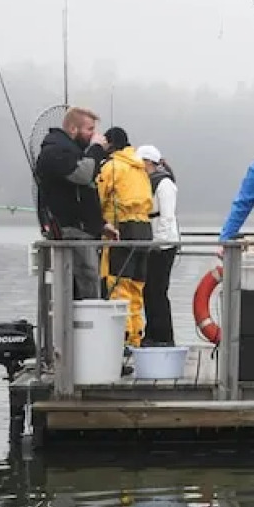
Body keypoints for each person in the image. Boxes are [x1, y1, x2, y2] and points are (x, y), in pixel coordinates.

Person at [34, 106, 116, 301]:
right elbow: (82, 175)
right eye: (90, 129)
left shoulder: (75, 152)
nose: (94, 135)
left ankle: (85, 318)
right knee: (86, 282)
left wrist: (100, 224)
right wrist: (96, 149)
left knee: (89, 282)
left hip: (84, 230)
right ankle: (81, 319)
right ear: (73, 129)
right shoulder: (55, 151)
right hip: (71, 231)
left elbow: (83, 195)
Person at [96, 127, 155, 350]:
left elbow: (98, 197)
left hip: (122, 229)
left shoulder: (112, 166)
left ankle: (123, 338)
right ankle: (136, 337)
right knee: (136, 287)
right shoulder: (140, 167)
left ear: (110, 144)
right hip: (145, 231)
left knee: (118, 285)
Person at [137, 144, 180, 346]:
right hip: (151, 242)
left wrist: (160, 241)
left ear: (148, 162)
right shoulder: (146, 182)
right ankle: (151, 332)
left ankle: (164, 335)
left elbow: (167, 216)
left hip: (164, 246)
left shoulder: (164, 184)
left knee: (158, 290)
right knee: (148, 290)